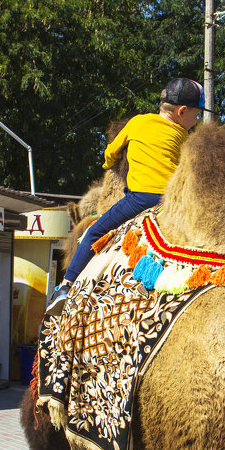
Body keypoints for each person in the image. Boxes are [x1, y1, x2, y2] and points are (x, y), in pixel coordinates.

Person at [53, 78, 204, 301]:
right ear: (182, 112)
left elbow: (110, 153)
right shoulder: (184, 136)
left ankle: (65, 287)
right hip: (174, 202)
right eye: (197, 114)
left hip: (141, 199)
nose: (197, 118)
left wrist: (108, 163)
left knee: (93, 233)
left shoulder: (137, 123)